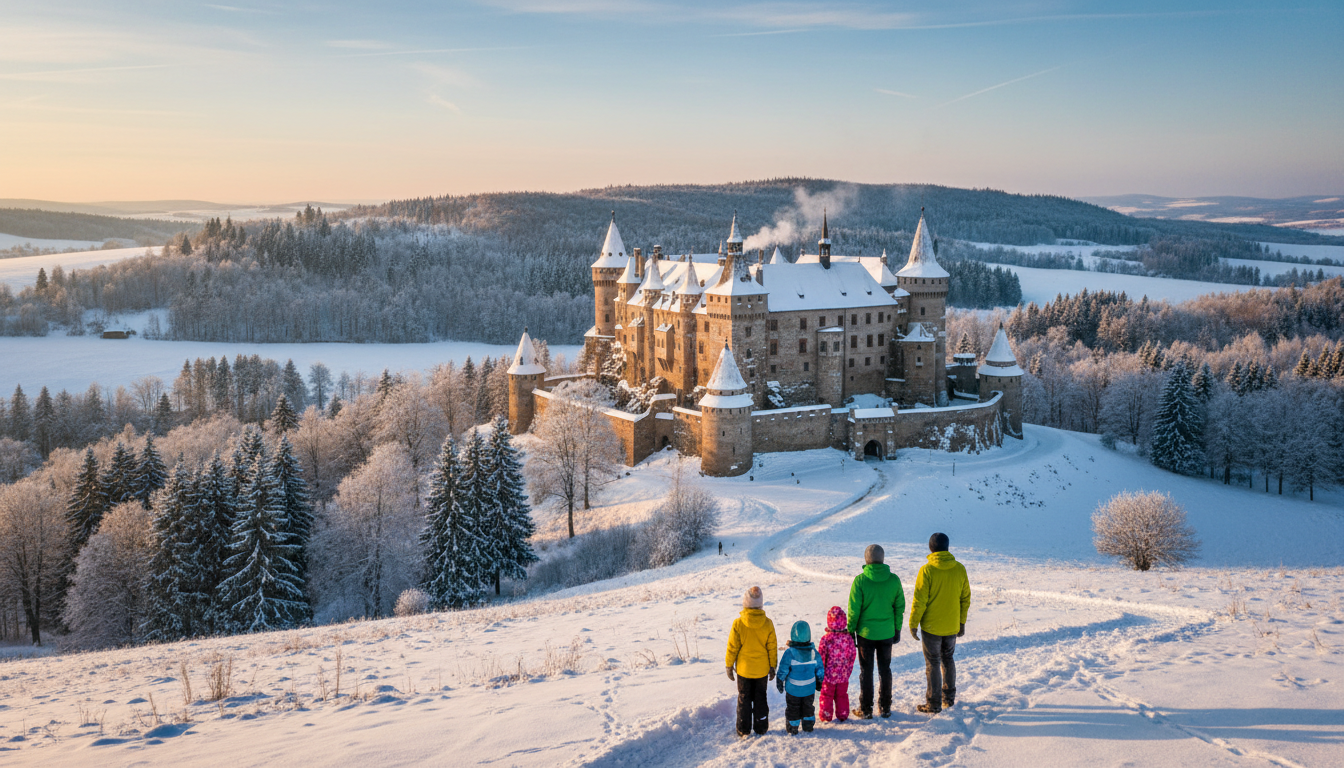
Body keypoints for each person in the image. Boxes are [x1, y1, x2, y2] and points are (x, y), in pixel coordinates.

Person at [908, 532, 971, 714]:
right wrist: (961, 621)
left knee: (933, 663)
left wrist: (913, 623)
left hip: (931, 627)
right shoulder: (959, 569)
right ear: (947, 547)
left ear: (931, 548)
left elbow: (919, 600)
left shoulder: (927, 570)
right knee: (948, 659)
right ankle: (949, 699)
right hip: (951, 626)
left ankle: (933, 703)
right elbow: (965, 598)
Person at [846, 544, 905, 719]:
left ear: (866, 560)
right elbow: (899, 607)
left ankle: (866, 708)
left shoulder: (860, 581)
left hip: (866, 634)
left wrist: (851, 630)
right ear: (883, 558)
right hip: (887, 632)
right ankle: (885, 707)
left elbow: (854, 610)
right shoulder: (894, 580)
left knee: (866, 671)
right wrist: (897, 628)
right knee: (885, 669)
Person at [725, 586, 777, 737]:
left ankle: (743, 728)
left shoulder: (738, 624)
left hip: (744, 671)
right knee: (761, 698)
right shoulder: (768, 624)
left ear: (745, 603)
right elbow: (772, 647)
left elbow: (732, 647)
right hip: (761, 671)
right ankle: (761, 727)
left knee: (744, 699)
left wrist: (729, 665)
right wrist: (773, 665)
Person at [776, 620, 825, 734]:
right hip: (809, 688)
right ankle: (808, 724)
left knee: (793, 707)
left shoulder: (790, 653)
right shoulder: (813, 652)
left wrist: (780, 680)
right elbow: (819, 668)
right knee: (808, 706)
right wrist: (819, 681)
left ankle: (793, 726)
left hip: (793, 689)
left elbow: (783, 669)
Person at [816, 606, 857, 723]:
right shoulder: (848, 638)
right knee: (842, 695)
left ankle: (826, 714)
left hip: (828, 676)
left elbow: (821, 658)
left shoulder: (826, 639)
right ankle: (843, 713)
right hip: (843, 675)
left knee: (826, 695)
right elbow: (852, 655)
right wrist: (848, 670)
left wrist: (820, 672)